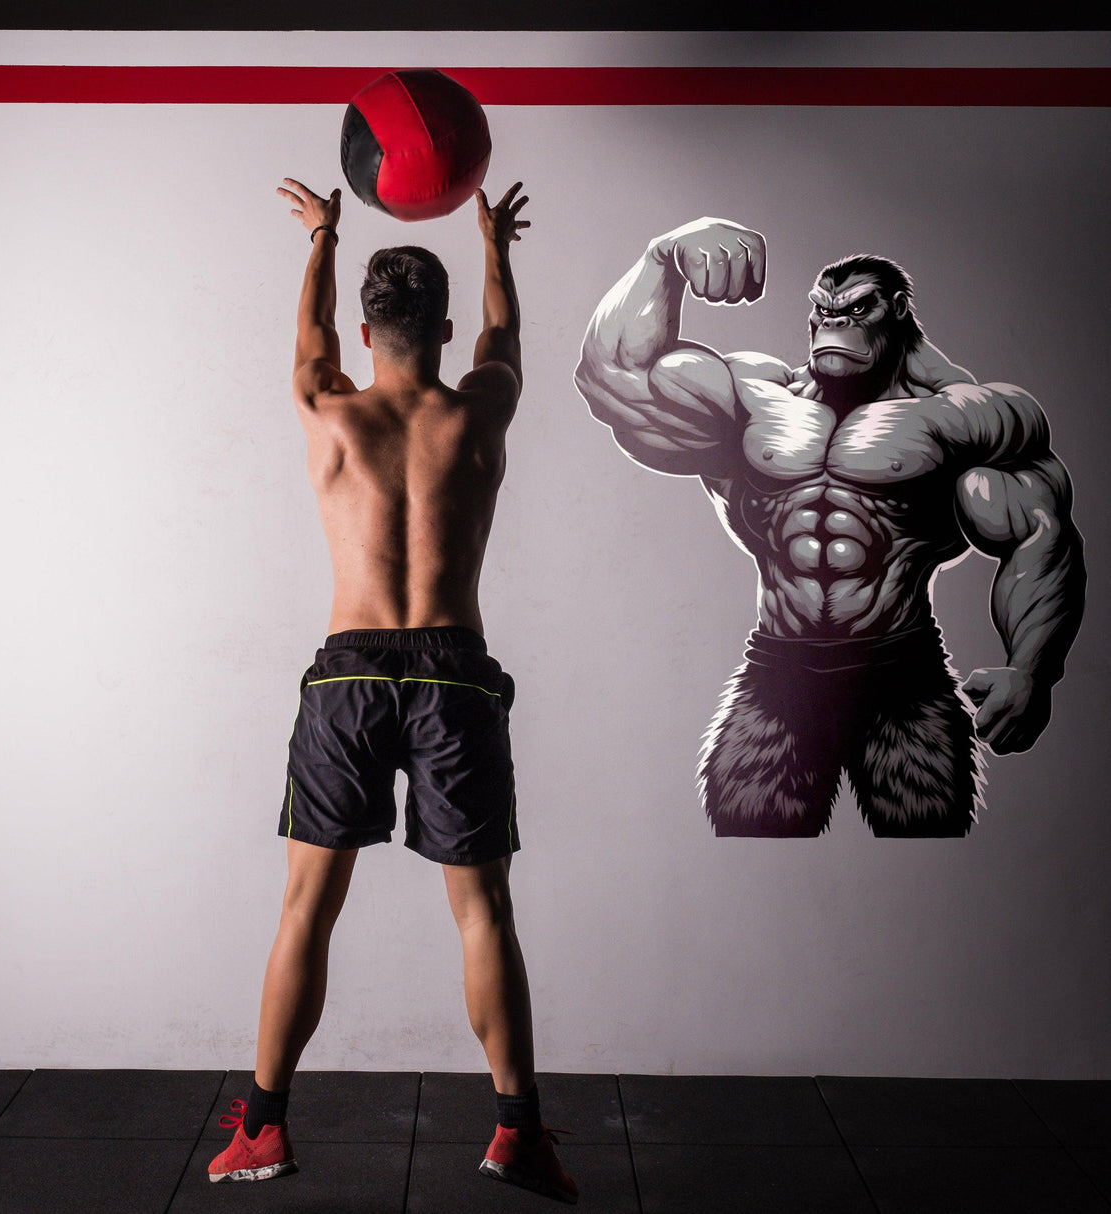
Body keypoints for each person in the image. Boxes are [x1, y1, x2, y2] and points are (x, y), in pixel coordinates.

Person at [208, 177, 577, 1205]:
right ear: (445, 328)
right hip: (454, 668)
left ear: (366, 332)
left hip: (353, 668)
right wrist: (496, 245)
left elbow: (305, 340)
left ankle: (264, 1127)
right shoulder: (482, 406)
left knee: (304, 909)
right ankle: (515, 1132)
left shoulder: (328, 407)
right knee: (483, 913)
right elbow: (506, 332)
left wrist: (322, 238)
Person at [575, 216, 1084, 837]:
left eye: (857, 309)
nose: (833, 325)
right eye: (823, 311)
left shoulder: (958, 417)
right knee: (753, 842)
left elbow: (1039, 529)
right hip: (780, 667)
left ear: (895, 314)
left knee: (922, 847)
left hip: (902, 669)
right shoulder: (760, 399)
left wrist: (1031, 668)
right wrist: (663, 258)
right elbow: (614, 375)